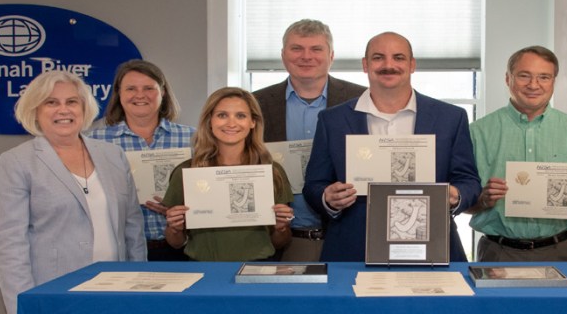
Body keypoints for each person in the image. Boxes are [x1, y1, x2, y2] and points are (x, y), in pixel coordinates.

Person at [0, 70, 146, 314]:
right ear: (35, 110)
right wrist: (20, 307)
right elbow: (9, 241)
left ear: (84, 108)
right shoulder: (17, 162)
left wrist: (140, 284)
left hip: (116, 294)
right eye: (51, 102)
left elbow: (133, 227)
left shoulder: (112, 155)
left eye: (72, 102)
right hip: (50, 297)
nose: (63, 110)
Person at [303, 31, 481, 262]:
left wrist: (457, 195)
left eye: (398, 57)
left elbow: (469, 181)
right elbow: (314, 185)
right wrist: (328, 197)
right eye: (378, 58)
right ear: (365, 65)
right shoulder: (332, 120)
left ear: (412, 64)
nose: (389, 65)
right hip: (352, 249)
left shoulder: (450, 117)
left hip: (432, 245)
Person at [467, 46, 567, 262]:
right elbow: (459, 202)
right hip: (498, 253)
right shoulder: (477, 132)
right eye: (524, 76)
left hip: (563, 252)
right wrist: (482, 200)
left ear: (553, 81)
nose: (534, 85)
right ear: (508, 79)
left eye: (544, 77)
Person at [254, 19, 366, 262]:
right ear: (283, 55)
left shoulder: (363, 100)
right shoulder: (254, 104)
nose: (306, 56)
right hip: (279, 238)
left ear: (331, 55)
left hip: (347, 235)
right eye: (297, 48)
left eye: (316, 49)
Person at [162, 88, 295, 261]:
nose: (231, 123)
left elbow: (280, 243)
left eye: (240, 116)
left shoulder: (272, 171)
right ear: (210, 121)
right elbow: (176, 243)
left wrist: (282, 228)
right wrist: (174, 228)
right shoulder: (186, 172)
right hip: (203, 269)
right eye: (222, 115)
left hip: (257, 269)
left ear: (253, 122)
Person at [89, 59, 196, 261]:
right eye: (131, 88)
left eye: (149, 88)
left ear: (163, 92)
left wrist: (179, 204)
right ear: (119, 93)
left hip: (182, 248)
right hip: (123, 249)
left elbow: (205, 192)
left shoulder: (192, 139)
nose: (140, 95)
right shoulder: (96, 141)